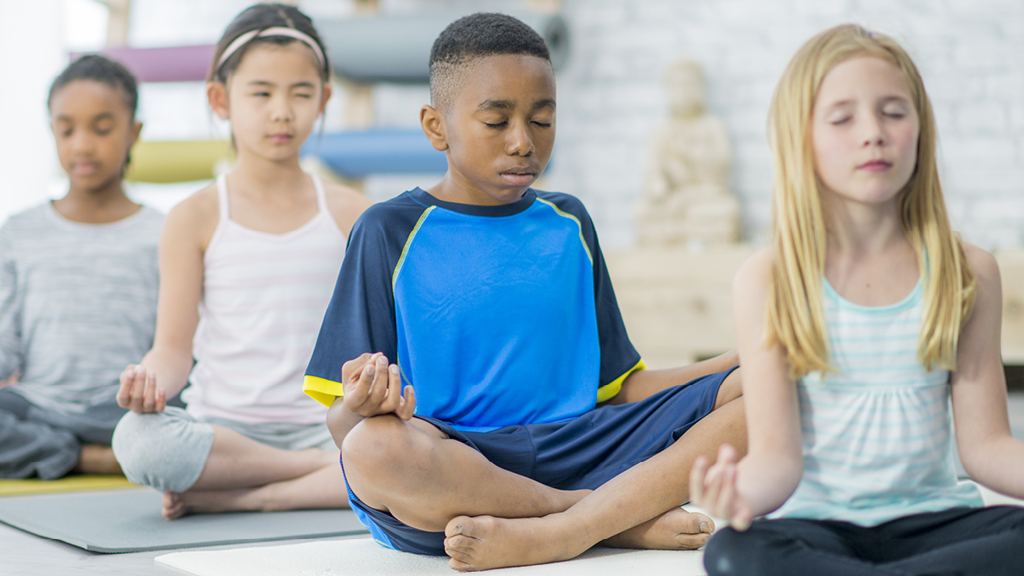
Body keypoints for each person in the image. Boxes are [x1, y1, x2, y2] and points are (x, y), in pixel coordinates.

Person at [303, 13, 746, 571]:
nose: (522, 142)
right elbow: (344, 427)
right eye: (496, 121)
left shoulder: (571, 223)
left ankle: (572, 527)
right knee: (374, 449)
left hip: (584, 446)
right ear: (436, 127)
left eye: (541, 120)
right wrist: (363, 407)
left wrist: (735, 361)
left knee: (766, 389)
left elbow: (620, 388)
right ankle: (598, 518)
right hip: (461, 467)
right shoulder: (386, 230)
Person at [689, 24, 1024, 576]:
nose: (873, 132)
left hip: (936, 523)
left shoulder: (970, 272)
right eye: (843, 118)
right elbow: (777, 459)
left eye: (893, 111)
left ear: (921, 129)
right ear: (803, 139)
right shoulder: (767, 279)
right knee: (731, 554)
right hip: (817, 530)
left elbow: (986, 446)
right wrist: (736, 494)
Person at [112, 3, 371, 519]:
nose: (282, 111)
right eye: (261, 93)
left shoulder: (354, 214)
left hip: (329, 427)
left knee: (417, 444)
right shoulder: (194, 216)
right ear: (220, 98)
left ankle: (256, 496)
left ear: (323, 100)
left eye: (300, 94)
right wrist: (149, 383)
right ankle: (310, 475)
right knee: (138, 441)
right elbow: (172, 351)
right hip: (225, 433)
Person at [0, 55, 161, 479]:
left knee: (200, 420)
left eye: (102, 128)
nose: (82, 145)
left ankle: (93, 453)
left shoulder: (165, 232)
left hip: (129, 410)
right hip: (41, 409)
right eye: (66, 129)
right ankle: (88, 458)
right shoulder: (20, 230)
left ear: (134, 132)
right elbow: (5, 346)